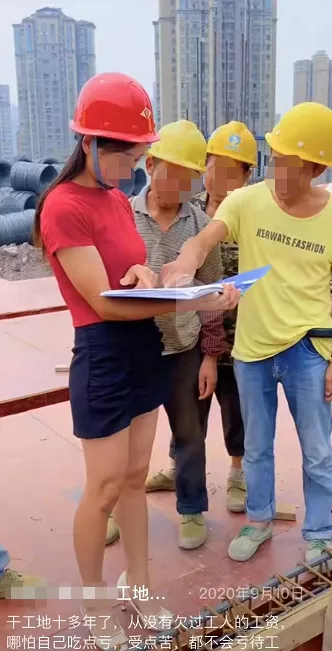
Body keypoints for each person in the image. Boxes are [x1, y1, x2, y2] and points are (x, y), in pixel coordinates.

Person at [33, 71, 239, 648]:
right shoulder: (62, 206)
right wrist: (196, 300)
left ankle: (140, 585)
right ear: (91, 144)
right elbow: (101, 303)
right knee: (102, 488)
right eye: (126, 156)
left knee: (132, 479)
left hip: (145, 347)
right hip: (103, 355)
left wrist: (145, 272)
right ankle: (96, 602)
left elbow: (125, 272)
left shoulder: (115, 203)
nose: (133, 168)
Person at [161, 102, 332, 563]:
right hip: (251, 351)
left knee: (316, 449)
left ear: (316, 168)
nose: (281, 172)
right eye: (277, 160)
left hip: (308, 349)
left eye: (293, 165)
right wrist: (186, 261)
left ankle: (318, 534)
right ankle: (258, 521)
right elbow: (205, 238)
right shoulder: (246, 201)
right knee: (255, 446)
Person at [146, 121, 257, 515]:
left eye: (231, 171)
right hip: (197, 333)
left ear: (246, 176)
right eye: (213, 167)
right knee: (191, 411)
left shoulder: (254, 217)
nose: (219, 178)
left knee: (236, 408)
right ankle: (179, 468)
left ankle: (238, 472)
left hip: (241, 334)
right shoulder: (191, 211)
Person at [132, 119, 225, 551]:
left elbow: (211, 294)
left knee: (189, 434)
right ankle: (116, 509)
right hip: (135, 349)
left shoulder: (201, 225)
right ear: (150, 165)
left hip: (184, 348)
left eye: (190, 179)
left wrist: (210, 356)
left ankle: (191, 509)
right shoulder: (123, 216)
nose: (181, 186)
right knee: (124, 440)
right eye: (174, 174)